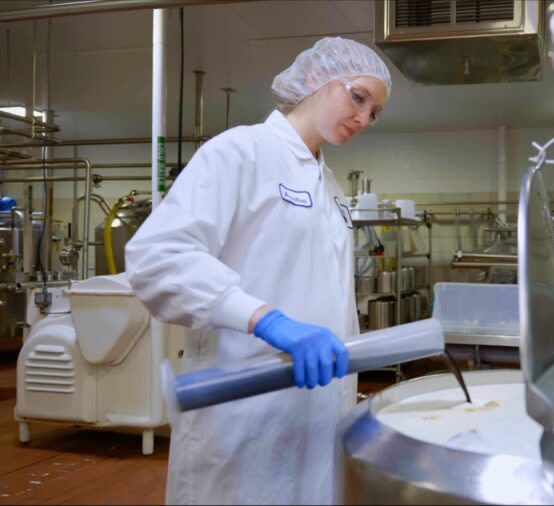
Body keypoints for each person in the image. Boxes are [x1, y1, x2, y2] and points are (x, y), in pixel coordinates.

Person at [124, 37, 391, 505]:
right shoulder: (239, 153)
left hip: (315, 417)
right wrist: (270, 321)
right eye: (358, 97)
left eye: (375, 112)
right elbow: (158, 256)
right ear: (316, 79)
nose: (365, 118)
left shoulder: (329, 186)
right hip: (241, 419)